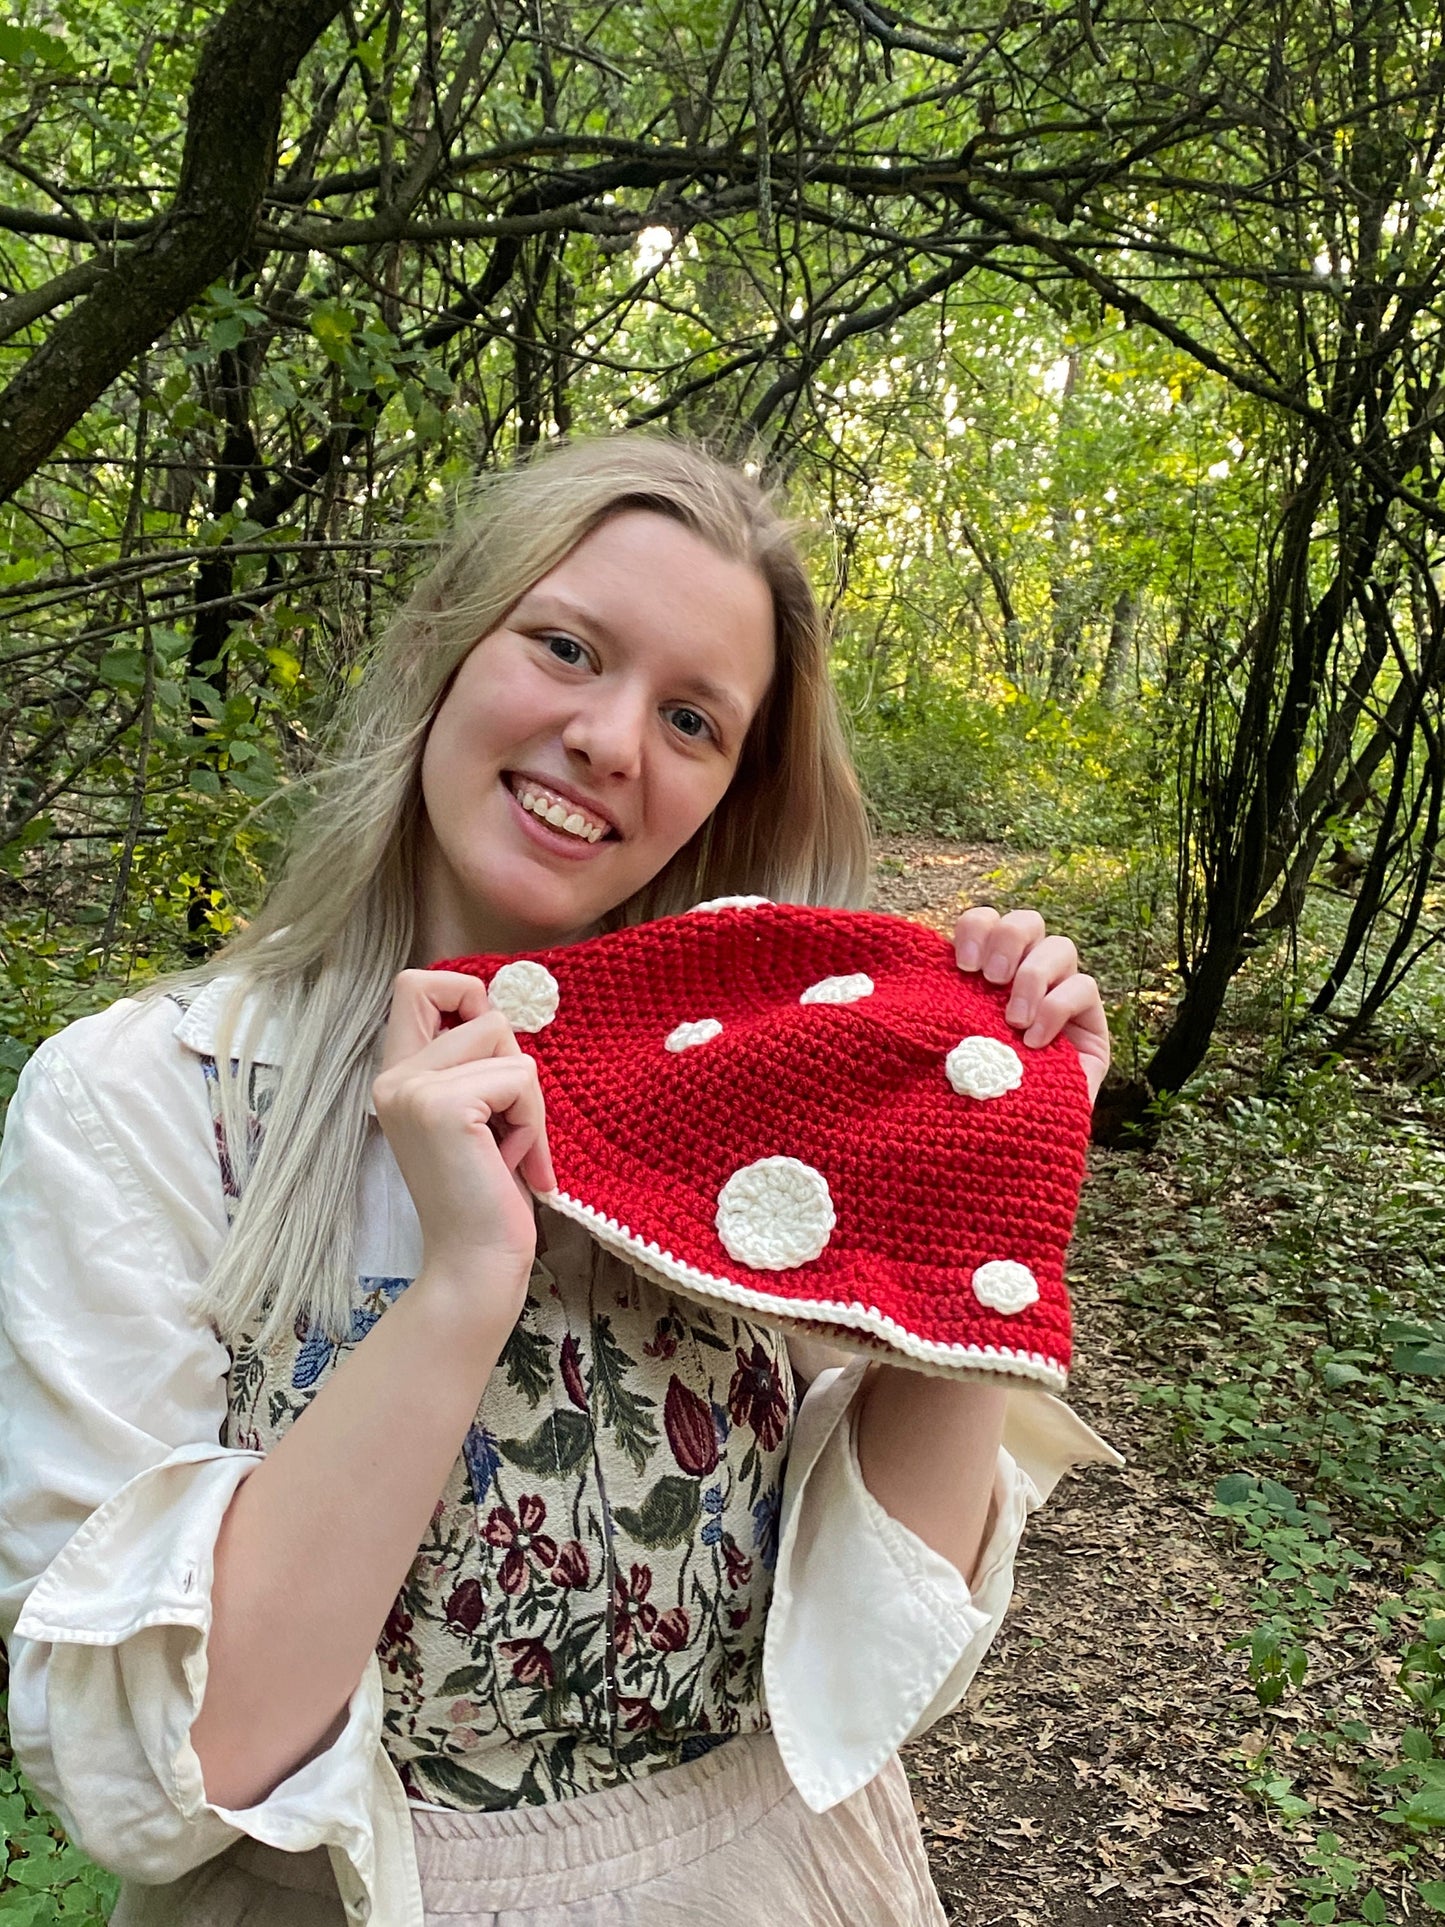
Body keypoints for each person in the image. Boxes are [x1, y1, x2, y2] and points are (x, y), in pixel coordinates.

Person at [0, 435, 1118, 1927]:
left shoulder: (762, 1099)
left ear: (725, 792)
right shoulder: (144, 1101)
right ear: (446, 650)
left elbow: (872, 1674)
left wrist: (991, 1167)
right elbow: (168, 1773)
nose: (608, 739)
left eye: (692, 720)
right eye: (566, 646)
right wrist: (465, 1284)